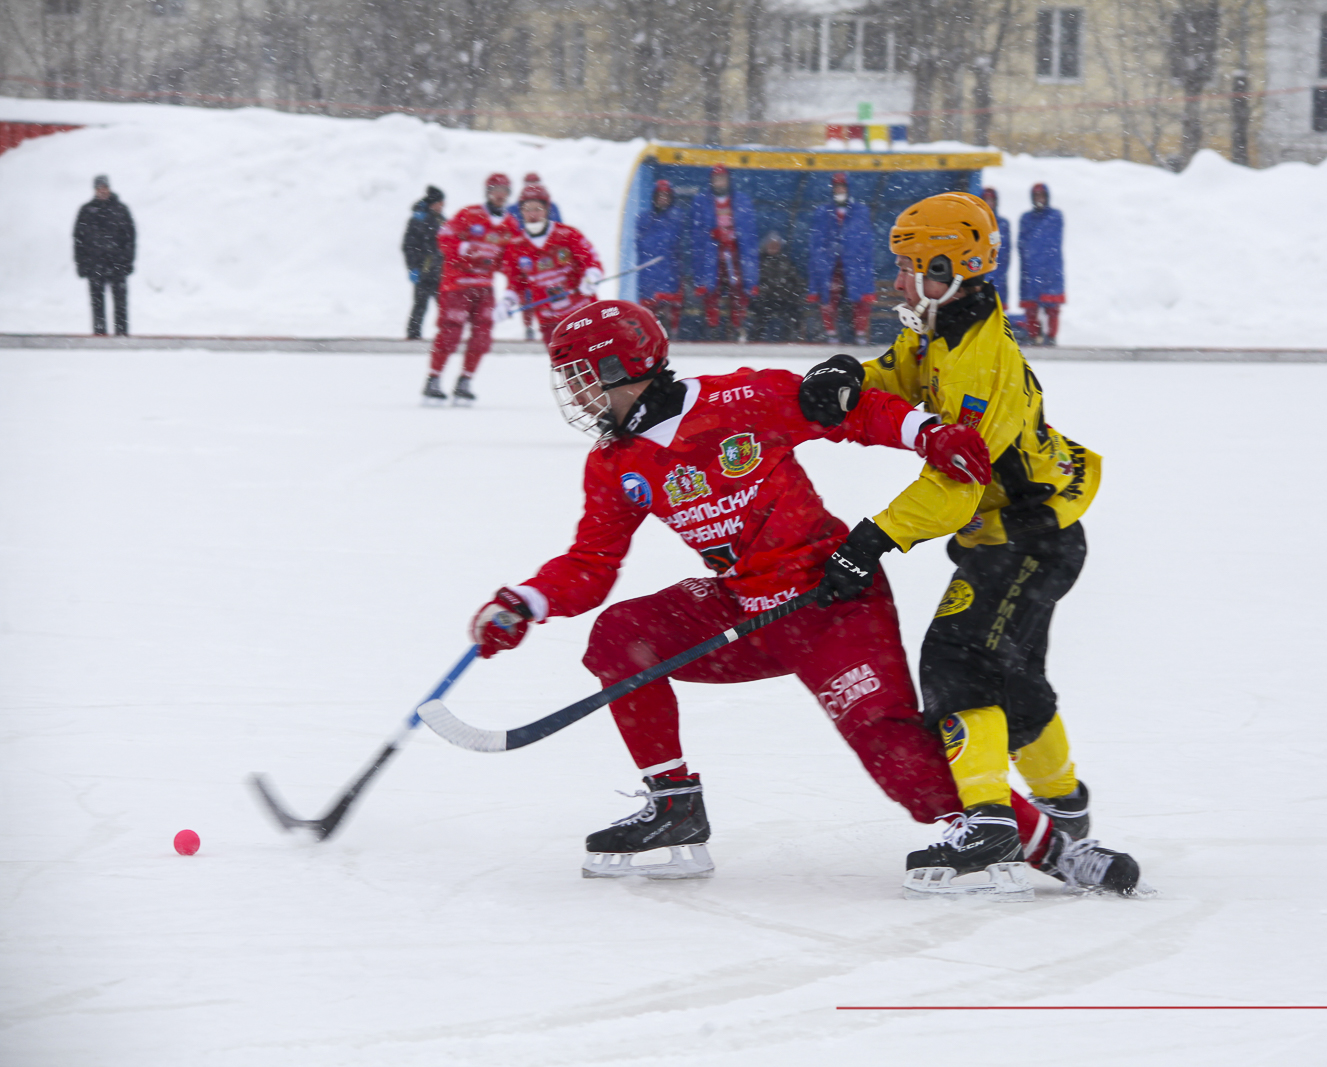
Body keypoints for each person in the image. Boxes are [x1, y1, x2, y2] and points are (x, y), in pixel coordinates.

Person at [465, 300, 1059, 890]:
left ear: (621, 369)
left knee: (890, 742)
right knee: (623, 635)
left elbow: (852, 412)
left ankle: (1044, 846)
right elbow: (591, 564)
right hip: (743, 614)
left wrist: (928, 432)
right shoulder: (614, 463)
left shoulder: (739, 400)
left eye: (581, 379)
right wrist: (526, 601)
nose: (577, 396)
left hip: (832, 605)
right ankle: (675, 807)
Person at [797, 191, 1141, 895]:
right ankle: (1064, 805)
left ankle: (988, 821)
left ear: (949, 268)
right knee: (1011, 678)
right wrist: (849, 377)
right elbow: (898, 373)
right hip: (1009, 534)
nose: (897, 281)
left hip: (1027, 534)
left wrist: (873, 538)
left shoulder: (980, 356)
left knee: (958, 659)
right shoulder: (939, 327)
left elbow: (958, 479)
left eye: (909, 267)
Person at [425, 173, 521, 405]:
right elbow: (444, 236)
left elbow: (515, 258)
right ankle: (434, 378)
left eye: (505, 191)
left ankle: (465, 380)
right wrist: (463, 248)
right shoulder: (469, 214)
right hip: (457, 284)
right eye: (496, 189)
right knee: (451, 332)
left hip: (485, 287)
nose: (500, 195)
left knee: (482, 335)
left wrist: (512, 291)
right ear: (488, 192)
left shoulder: (509, 224)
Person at [503, 184, 603, 346]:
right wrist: (508, 300)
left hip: (581, 312)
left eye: (537, 208)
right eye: (527, 209)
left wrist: (592, 276)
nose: (532, 214)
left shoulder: (568, 234)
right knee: (566, 367)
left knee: (595, 361)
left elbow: (590, 259)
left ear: (547, 209)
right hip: (549, 320)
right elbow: (515, 282)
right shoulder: (516, 246)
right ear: (520, 212)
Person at [689, 163, 758, 341]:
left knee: (739, 288)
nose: (719, 182)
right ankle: (713, 327)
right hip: (712, 253)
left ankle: (738, 326)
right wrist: (712, 234)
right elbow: (696, 233)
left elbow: (749, 231)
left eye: (722, 179)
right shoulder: (702, 201)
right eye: (716, 179)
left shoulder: (741, 200)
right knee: (711, 289)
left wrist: (735, 235)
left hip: (735, 251)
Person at [806, 173, 876, 344]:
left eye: (842, 187)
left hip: (854, 264)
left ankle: (860, 333)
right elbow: (817, 241)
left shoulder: (860, 211)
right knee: (828, 297)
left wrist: (856, 256)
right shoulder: (823, 212)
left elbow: (866, 242)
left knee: (860, 298)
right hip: (830, 265)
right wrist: (824, 257)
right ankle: (831, 333)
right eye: (836, 187)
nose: (839, 190)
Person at [73, 175, 136, 336]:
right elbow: (79, 240)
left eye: (104, 188)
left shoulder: (120, 210)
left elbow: (130, 237)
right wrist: (82, 264)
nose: (102, 191)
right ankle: (99, 335)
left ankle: (122, 335)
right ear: (95, 190)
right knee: (97, 303)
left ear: (109, 188)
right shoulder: (86, 211)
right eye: (99, 188)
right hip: (95, 265)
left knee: (120, 304)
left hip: (117, 264)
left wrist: (127, 261)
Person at [635, 179, 688, 337]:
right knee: (649, 310)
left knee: (671, 307)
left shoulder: (677, 218)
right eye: (660, 195)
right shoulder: (644, 219)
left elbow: (680, 245)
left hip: (671, 271)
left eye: (666, 196)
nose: (663, 199)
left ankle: (671, 334)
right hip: (649, 273)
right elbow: (640, 244)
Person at [1017, 182, 1066, 346]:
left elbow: (1051, 241)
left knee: (1052, 307)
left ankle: (1051, 336)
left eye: (1042, 196)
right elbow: (1022, 244)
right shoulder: (1026, 218)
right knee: (1031, 306)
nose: (1039, 199)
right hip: (1030, 268)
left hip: (1050, 267)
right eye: (1036, 196)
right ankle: (1033, 335)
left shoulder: (1055, 216)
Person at [402, 186, 445, 341]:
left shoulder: (441, 220)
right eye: (440, 203)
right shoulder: (418, 220)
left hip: (440, 272)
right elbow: (408, 246)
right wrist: (413, 268)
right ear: (433, 203)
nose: (442, 206)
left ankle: (448, 334)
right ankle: (413, 335)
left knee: (445, 305)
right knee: (420, 305)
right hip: (424, 271)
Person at [747, 232, 806, 342]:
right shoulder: (759, 262)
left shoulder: (786, 262)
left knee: (794, 312)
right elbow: (754, 282)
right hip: (765, 299)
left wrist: (794, 291)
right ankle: (754, 340)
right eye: (771, 245)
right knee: (762, 313)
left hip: (785, 299)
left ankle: (790, 340)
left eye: (776, 245)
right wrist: (763, 291)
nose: (774, 247)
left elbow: (797, 280)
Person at [981, 187, 1012, 310]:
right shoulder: (977, 222)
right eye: (986, 200)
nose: (989, 204)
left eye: (991, 200)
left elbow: (1006, 253)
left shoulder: (1003, 224)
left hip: (998, 276)